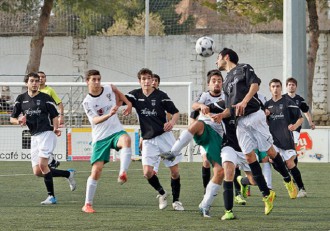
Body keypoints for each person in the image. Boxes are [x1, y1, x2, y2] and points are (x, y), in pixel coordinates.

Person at [215, 48, 297, 215]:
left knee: (269, 152)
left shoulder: (244, 68)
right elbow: (230, 108)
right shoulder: (225, 83)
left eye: (217, 58)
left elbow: (255, 84)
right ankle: (267, 194)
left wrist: (245, 101)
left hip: (255, 115)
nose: (216, 62)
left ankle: (288, 180)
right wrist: (220, 115)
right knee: (248, 156)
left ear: (226, 57)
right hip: (240, 123)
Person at [10, 72, 76, 205]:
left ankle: (51, 197)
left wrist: (56, 128)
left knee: (42, 165)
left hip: (47, 133)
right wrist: (19, 121)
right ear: (26, 83)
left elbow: (54, 115)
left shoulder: (46, 97)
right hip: (34, 136)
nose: (35, 83)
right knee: (38, 172)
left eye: (37, 81)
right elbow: (12, 118)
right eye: (32, 81)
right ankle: (67, 174)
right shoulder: (21, 98)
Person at [126, 68, 184, 211]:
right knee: (147, 173)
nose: (146, 81)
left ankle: (176, 201)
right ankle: (162, 193)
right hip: (148, 140)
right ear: (139, 81)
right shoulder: (135, 95)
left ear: (153, 81)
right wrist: (126, 104)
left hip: (165, 138)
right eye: (143, 79)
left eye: (149, 78)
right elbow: (121, 98)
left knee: (175, 171)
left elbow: (176, 112)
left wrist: (172, 122)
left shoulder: (161, 96)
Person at [81, 69, 133, 213]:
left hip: (116, 131)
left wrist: (128, 104)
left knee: (126, 139)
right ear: (87, 81)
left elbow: (118, 91)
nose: (97, 82)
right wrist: (109, 114)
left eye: (99, 79)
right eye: (94, 80)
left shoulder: (109, 88)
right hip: (100, 138)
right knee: (96, 171)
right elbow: (95, 120)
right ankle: (87, 204)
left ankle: (122, 173)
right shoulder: (87, 102)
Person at [265, 78, 307, 198]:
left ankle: (302, 188)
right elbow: (265, 123)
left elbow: (300, 118)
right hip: (273, 140)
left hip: (286, 139)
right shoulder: (267, 105)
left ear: (281, 88)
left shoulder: (288, 102)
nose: (275, 89)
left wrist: (294, 126)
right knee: (272, 160)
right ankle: (288, 179)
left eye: (278, 86)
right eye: (273, 86)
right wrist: (264, 116)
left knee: (289, 163)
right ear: (270, 88)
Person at [191, 70, 223, 194]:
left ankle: (237, 191)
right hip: (207, 133)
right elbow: (194, 106)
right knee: (205, 161)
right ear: (208, 84)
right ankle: (206, 189)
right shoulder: (204, 96)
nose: (217, 83)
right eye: (214, 81)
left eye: (219, 81)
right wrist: (201, 106)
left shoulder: (226, 96)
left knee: (228, 163)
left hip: (221, 133)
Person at [284, 77, 315, 165]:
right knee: (285, 150)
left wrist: (310, 122)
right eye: (289, 85)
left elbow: (306, 111)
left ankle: (294, 168)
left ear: (296, 87)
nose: (291, 86)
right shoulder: (282, 98)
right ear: (286, 86)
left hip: (295, 128)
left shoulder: (300, 99)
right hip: (283, 128)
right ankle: (287, 167)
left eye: (293, 85)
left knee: (293, 148)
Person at [38, 71, 63, 168]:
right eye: (39, 77)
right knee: (40, 143)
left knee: (46, 142)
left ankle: (51, 161)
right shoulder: (33, 91)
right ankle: (52, 161)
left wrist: (61, 116)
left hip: (49, 121)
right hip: (37, 121)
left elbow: (60, 103)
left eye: (43, 77)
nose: (41, 79)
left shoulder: (49, 90)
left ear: (45, 79)